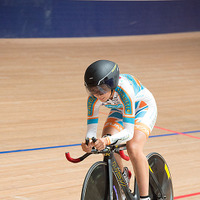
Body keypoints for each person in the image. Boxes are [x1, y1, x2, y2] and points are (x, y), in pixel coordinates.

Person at [81, 60, 157, 200]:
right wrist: (89, 144)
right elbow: (91, 132)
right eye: (93, 90)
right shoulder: (93, 99)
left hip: (142, 107)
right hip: (120, 109)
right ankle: (122, 179)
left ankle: (145, 197)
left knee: (133, 147)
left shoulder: (124, 90)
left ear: (112, 83)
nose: (98, 94)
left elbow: (129, 133)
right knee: (107, 144)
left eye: (102, 89)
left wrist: (107, 140)